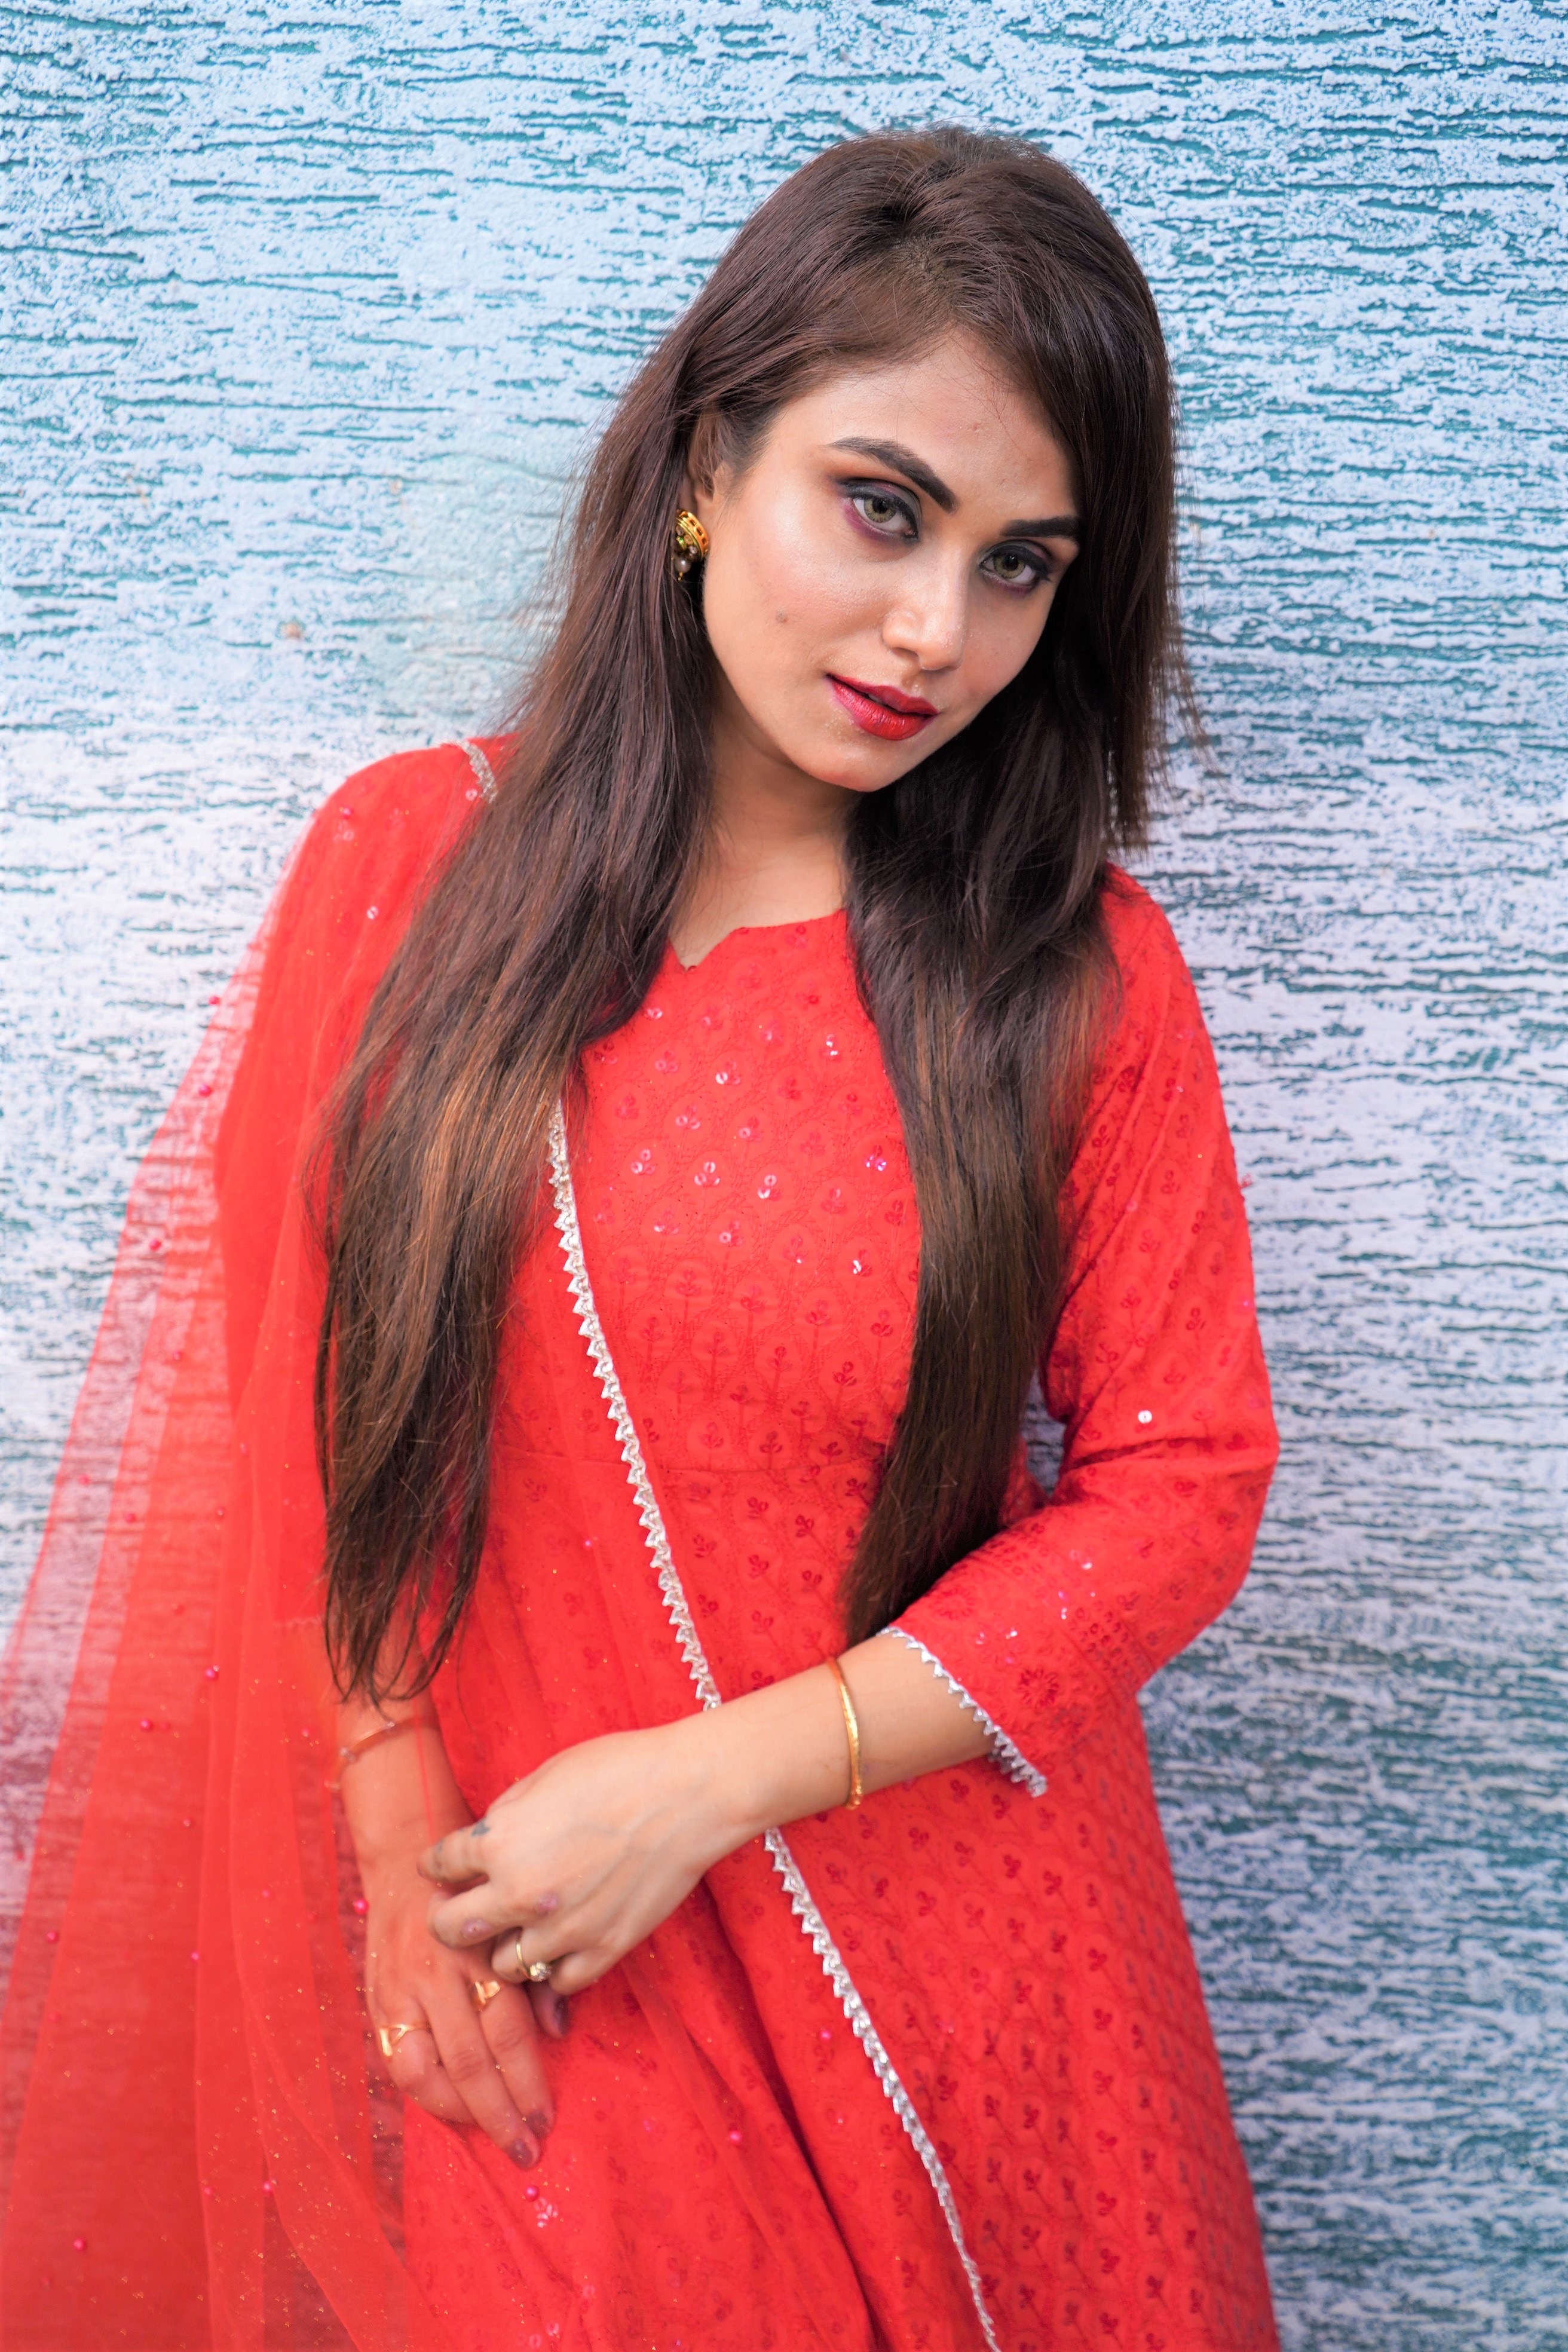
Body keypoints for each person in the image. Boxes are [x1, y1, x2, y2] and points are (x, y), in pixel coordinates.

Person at [0, 127, 1280, 2351]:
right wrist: (400, 1845)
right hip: (558, 1952)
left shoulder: (1072, 980)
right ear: (707, 462)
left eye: (1020, 565)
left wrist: (699, 1789)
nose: (937, 630)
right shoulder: (413, 869)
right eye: (881, 507)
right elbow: (306, 1398)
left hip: (972, 1984)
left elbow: (1186, 1487)